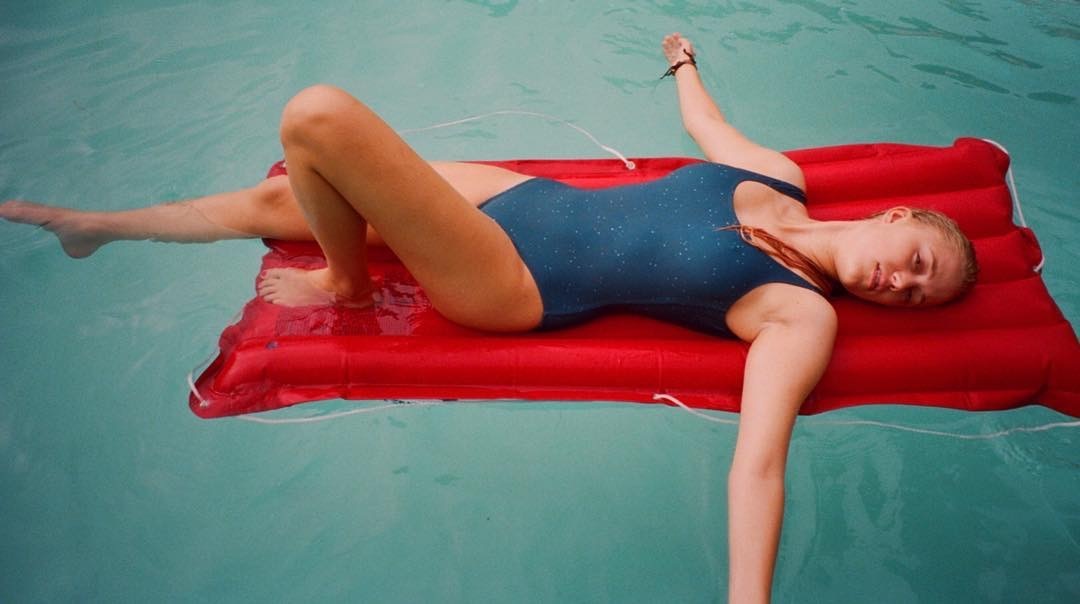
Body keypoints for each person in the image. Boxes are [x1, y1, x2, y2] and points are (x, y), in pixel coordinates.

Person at [1, 33, 976, 602]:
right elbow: (707, 129)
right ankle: (97, 227)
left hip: (515, 281)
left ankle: (346, 282)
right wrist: (682, 61)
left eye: (917, 296)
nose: (902, 285)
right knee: (278, 199)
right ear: (897, 216)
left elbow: (759, 464)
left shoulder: (802, 315)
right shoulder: (783, 177)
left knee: (318, 118)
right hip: (530, 200)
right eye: (919, 264)